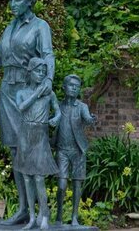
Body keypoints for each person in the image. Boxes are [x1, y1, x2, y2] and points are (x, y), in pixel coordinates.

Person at [0, 0, 55, 225]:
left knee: (28, 149)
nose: (12, 4)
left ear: (29, 1)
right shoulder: (8, 29)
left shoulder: (40, 26)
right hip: (7, 92)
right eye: (11, 0)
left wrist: (49, 79)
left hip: (27, 92)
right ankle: (22, 208)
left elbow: (48, 55)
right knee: (14, 149)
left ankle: (40, 212)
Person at [15, 57, 60, 230]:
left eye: (43, 72)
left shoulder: (50, 93)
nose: (41, 74)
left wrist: (56, 118)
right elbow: (21, 108)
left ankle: (45, 215)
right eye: (37, 71)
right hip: (25, 134)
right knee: (27, 177)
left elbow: (58, 111)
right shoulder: (21, 92)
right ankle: (32, 218)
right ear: (30, 72)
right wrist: (37, 93)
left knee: (39, 177)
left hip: (40, 134)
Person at [55, 74, 96, 226]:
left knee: (77, 184)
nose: (74, 88)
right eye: (71, 85)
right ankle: (59, 214)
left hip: (78, 150)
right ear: (64, 87)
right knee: (62, 184)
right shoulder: (58, 106)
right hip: (62, 150)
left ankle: (74, 217)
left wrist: (92, 119)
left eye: (77, 86)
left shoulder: (82, 107)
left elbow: (87, 118)